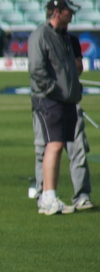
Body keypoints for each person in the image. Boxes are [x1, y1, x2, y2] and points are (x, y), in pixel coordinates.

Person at [28, 0, 83, 215]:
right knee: (54, 145)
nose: (72, 14)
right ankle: (48, 197)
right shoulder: (41, 35)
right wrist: (55, 91)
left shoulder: (64, 37)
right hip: (50, 100)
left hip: (65, 99)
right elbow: (36, 70)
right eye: (69, 10)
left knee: (58, 146)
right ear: (57, 11)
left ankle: (49, 196)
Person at [32, 33, 94, 211]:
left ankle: (82, 195)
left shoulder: (71, 40)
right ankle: (42, 194)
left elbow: (78, 66)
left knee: (77, 147)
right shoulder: (42, 39)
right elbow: (38, 70)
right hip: (47, 102)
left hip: (69, 100)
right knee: (44, 148)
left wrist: (65, 67)